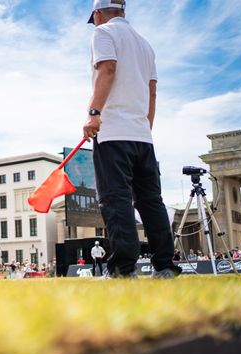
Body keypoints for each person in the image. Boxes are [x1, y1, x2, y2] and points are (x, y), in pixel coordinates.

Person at [83, 0, 181, 279]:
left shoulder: (103, 34)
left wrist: (94, 113)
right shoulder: (146, 45)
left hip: (113, 132)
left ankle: (123, 270)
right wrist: (144, 128)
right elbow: (152, 93)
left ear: (98, 14)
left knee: (116, 201)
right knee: (151, 201)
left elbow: (108, 70)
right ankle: (165, 266)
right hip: (142, 136)